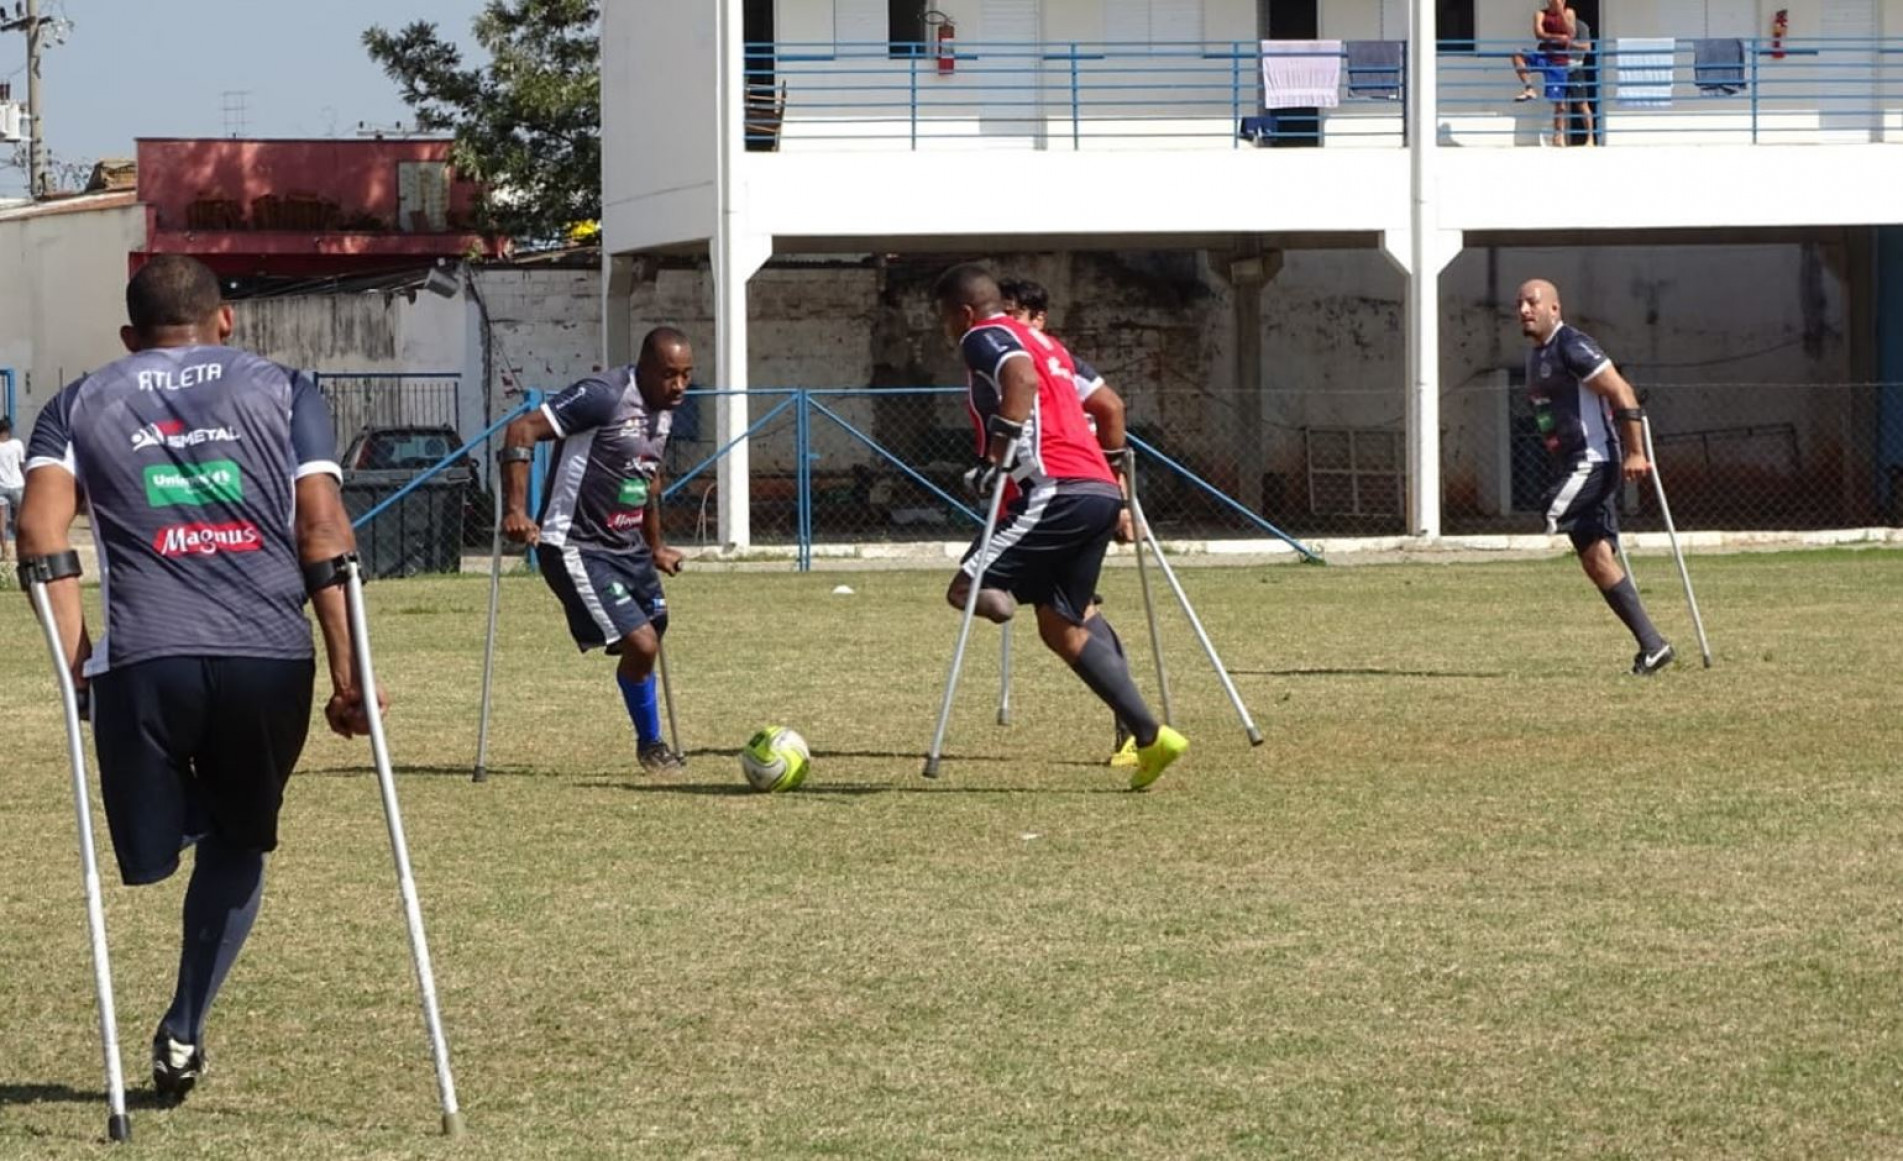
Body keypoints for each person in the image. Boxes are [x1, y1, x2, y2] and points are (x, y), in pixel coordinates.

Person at [16, 254, 377, 1100]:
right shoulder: (286, 388)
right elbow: (322, 528)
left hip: (145, 662)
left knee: (152, 854)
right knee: (240, 840)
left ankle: (181, 1025)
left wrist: (74, 660)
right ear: (225, 320)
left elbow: (39, 533)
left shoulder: (74, 403)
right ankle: (183, 1020)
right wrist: (350, 670)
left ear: (129, 336)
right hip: (268, 659)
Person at [936, 264, 1186, 790]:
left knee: (969, 587)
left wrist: (995, 459)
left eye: (944, 320)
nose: (946, 331)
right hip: (1097, 489)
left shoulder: (983, 336)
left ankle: (1004, 595)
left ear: (962, 312)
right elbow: (1111, 407)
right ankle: (1149, 736)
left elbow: (1019, 379)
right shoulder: (1050, 345)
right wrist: (1116, 483)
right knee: (1062, 625)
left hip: (1051, 491)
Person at [499, 328, 691, 773]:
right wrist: (516, 511)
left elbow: (648, 479)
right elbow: (521, 429)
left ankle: (650, 737)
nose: (679, 386)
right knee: (641, 644)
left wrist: (656, 546)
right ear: (644, 368)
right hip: (575, 546)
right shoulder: (602, 396)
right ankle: (651, 747)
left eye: (686, 375)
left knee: (654, 633)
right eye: (669, 375)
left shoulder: (664, 411)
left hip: (628, 548)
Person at [998, 276, 1140, 769]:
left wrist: (1120, 494)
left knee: (1069, 618)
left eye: (1014, 312)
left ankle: (1136, 726)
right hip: (1038, 496)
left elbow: (1110, 407)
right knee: (1068, 614)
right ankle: (1136, 725)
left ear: (1037, 318)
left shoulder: (1051, 360)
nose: (1005, 322)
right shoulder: (1008, 356)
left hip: (1059, 496)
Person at [1516, 278, 1674, 675]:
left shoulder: (1572, 345)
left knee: (1549, 510)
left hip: (1593, 461)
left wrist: (1636, 452)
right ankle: (1653, 646)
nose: (1524, 310)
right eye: (1519, 304)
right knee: (1596, 560)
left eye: (1532, 303)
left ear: (1555, 308)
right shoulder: (1538, 354)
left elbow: (1622, 392)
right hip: (1567, 462)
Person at [1510, 0, 1578, 145]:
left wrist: (1560, 12)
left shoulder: (1569, 13)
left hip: (1559, 60)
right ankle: (1529, 88)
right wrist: (1556, 37)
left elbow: (1571, 33)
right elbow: (1538, 33)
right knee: (1518, 54)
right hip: (1544, 54)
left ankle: (1558, 134)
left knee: (1559, 102)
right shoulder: (1540, 14)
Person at [0, 416, 24, 558]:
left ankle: (4, 550)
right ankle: (21, 549)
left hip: (0, 486)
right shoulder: (17, 444)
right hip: (17, 484)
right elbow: (22, 464)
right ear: (9, 431)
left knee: (1, 520)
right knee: (19, 519)